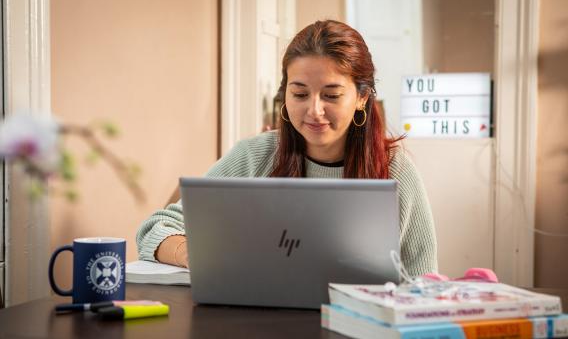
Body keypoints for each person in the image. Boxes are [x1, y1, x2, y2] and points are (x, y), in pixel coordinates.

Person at [136, 20, 437, 277]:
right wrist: (195, 254)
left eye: (331, 95)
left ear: (362, 98)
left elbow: (423, 280)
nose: (314, 110)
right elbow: (154, 229)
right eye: (300, 93)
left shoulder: (396, 170)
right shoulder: (254, 156)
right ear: (285, 95)